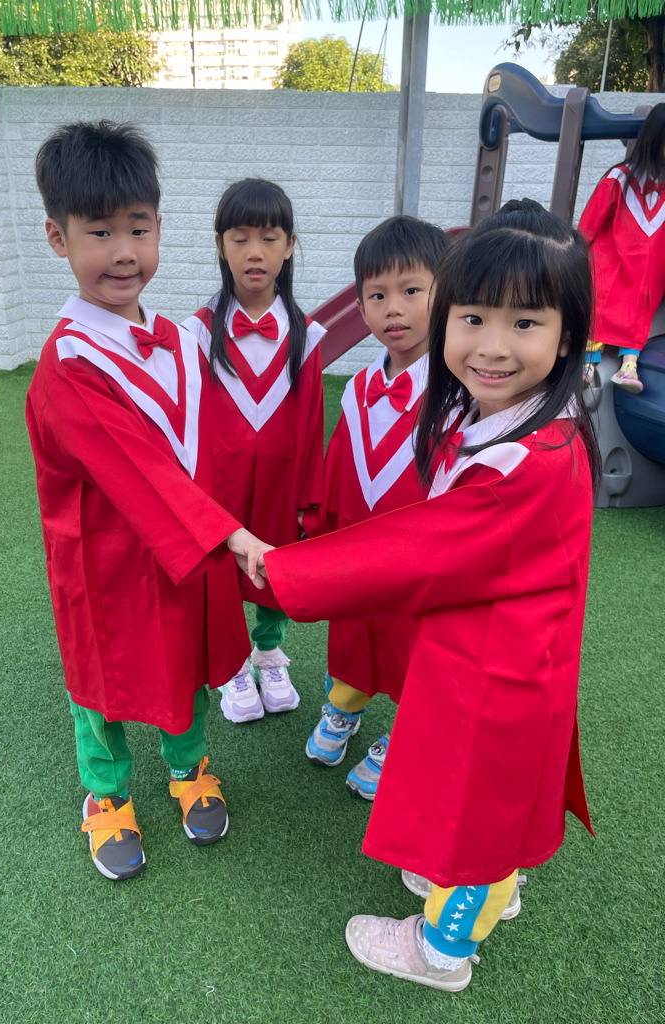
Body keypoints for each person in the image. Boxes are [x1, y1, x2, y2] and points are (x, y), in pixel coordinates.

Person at [259, 203, 598, 991]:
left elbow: (419, 550)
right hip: (499, 653)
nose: (491, 346)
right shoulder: (503, 420)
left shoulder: (528, 462)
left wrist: (284, 571)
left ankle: (443, 950)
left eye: (525, 323)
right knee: (489, 804)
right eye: (473, 317)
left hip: (496, 670)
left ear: (567, 336)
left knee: (476, 814)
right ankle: (490, 888)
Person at [25, 121, 266, 881]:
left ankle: (189, 768)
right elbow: (133, 468)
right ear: (59, 238)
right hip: (106, 559)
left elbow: (214, 446)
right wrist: (229, 536)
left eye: (138, 227)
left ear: (160, 226)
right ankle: (105, 794)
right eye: (99, 232)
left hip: (185, 549)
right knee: (101, 679)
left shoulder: (177, 340)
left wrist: (245, 516)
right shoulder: (68, 363)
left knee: (184, 663)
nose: (124, 251)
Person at [302, 215, 448, 799]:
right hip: (359, 546)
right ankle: (344, 706)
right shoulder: (359, 387)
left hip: (420, 557)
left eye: (412, 291)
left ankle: (410, 734)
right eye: (377, 296)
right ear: (360, 308)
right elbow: (340, 460)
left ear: (444, 294)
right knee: (354, 631)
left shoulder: (458, 393)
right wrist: (321, 526)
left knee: (414, 644)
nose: (395, 309)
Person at [183, 179, 325, 723]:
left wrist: (308, 498)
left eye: (269, 238)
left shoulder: (305, 334)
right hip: (219, 482)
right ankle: (232, 665)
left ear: (290, 245)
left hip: (281, 482)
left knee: (275, 565)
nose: (255, 252)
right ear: (220, 246)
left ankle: (269, 653)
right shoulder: (196, 334)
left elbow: (311, 422)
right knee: (221, 571)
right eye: (240, 238)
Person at [579, 103, 665, 392]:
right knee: (599, 308)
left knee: (639, 315)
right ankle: (586, 365)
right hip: (611, 260)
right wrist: (575, 255)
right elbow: (590, 222)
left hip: (650, 270)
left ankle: (629, 367)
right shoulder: (620, 177)